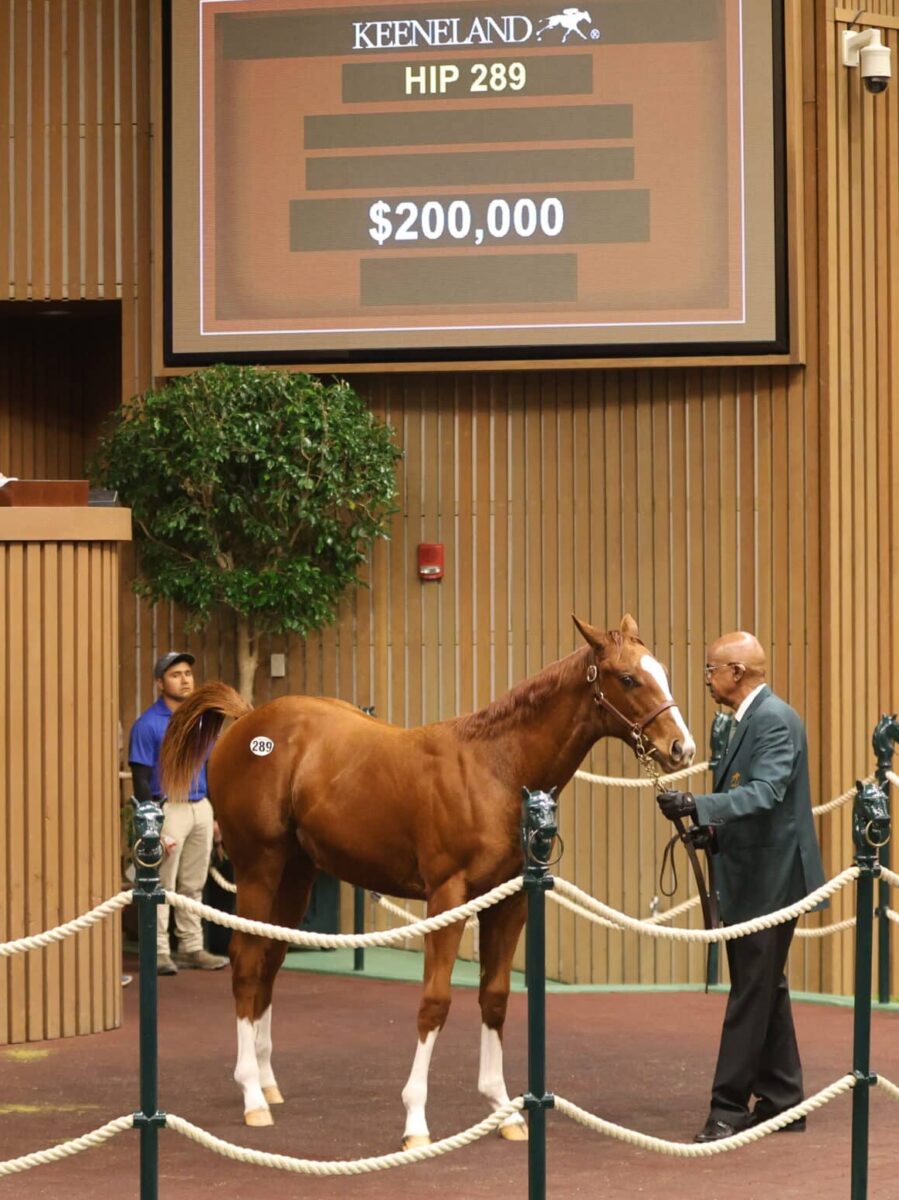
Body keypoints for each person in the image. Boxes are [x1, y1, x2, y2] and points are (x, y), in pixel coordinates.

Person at [656, 631, 825, 1143]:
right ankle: (783, 1101)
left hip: (773, 879)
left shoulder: (774, 719)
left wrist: (698, 806)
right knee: (764, 987)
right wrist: (707, 828)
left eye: (711, 669)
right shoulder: (733, 722)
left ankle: (727, 1108)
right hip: (751, 873)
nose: (706, 678)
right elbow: (743, 794)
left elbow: (768, 792)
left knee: (751, 990)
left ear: (737, 672)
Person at [128, 651, 228, 976]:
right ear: (160, 683)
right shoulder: (147, 725)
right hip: (167, 808)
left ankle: (191, 948)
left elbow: (211, 767)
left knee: (194, 885)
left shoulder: (200, 721)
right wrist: (153, 823)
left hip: (201, 807)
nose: (185, 679)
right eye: (175, 674)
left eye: (188, 673)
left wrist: (214, 816)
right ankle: (157, 952)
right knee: (160, 885)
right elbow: (140, 778)